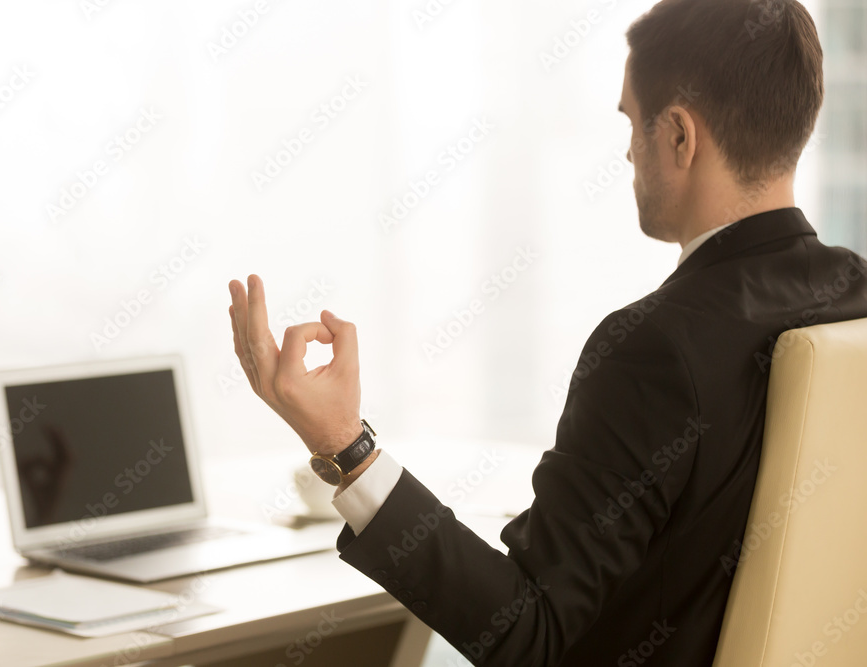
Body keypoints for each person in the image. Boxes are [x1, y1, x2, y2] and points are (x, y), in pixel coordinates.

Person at [228, 0, 867, 663]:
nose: (628, 149)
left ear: (680, 136)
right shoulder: (856, 295)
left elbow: (528, 631)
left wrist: (345, 445)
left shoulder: (654, 350)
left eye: (631, 122)